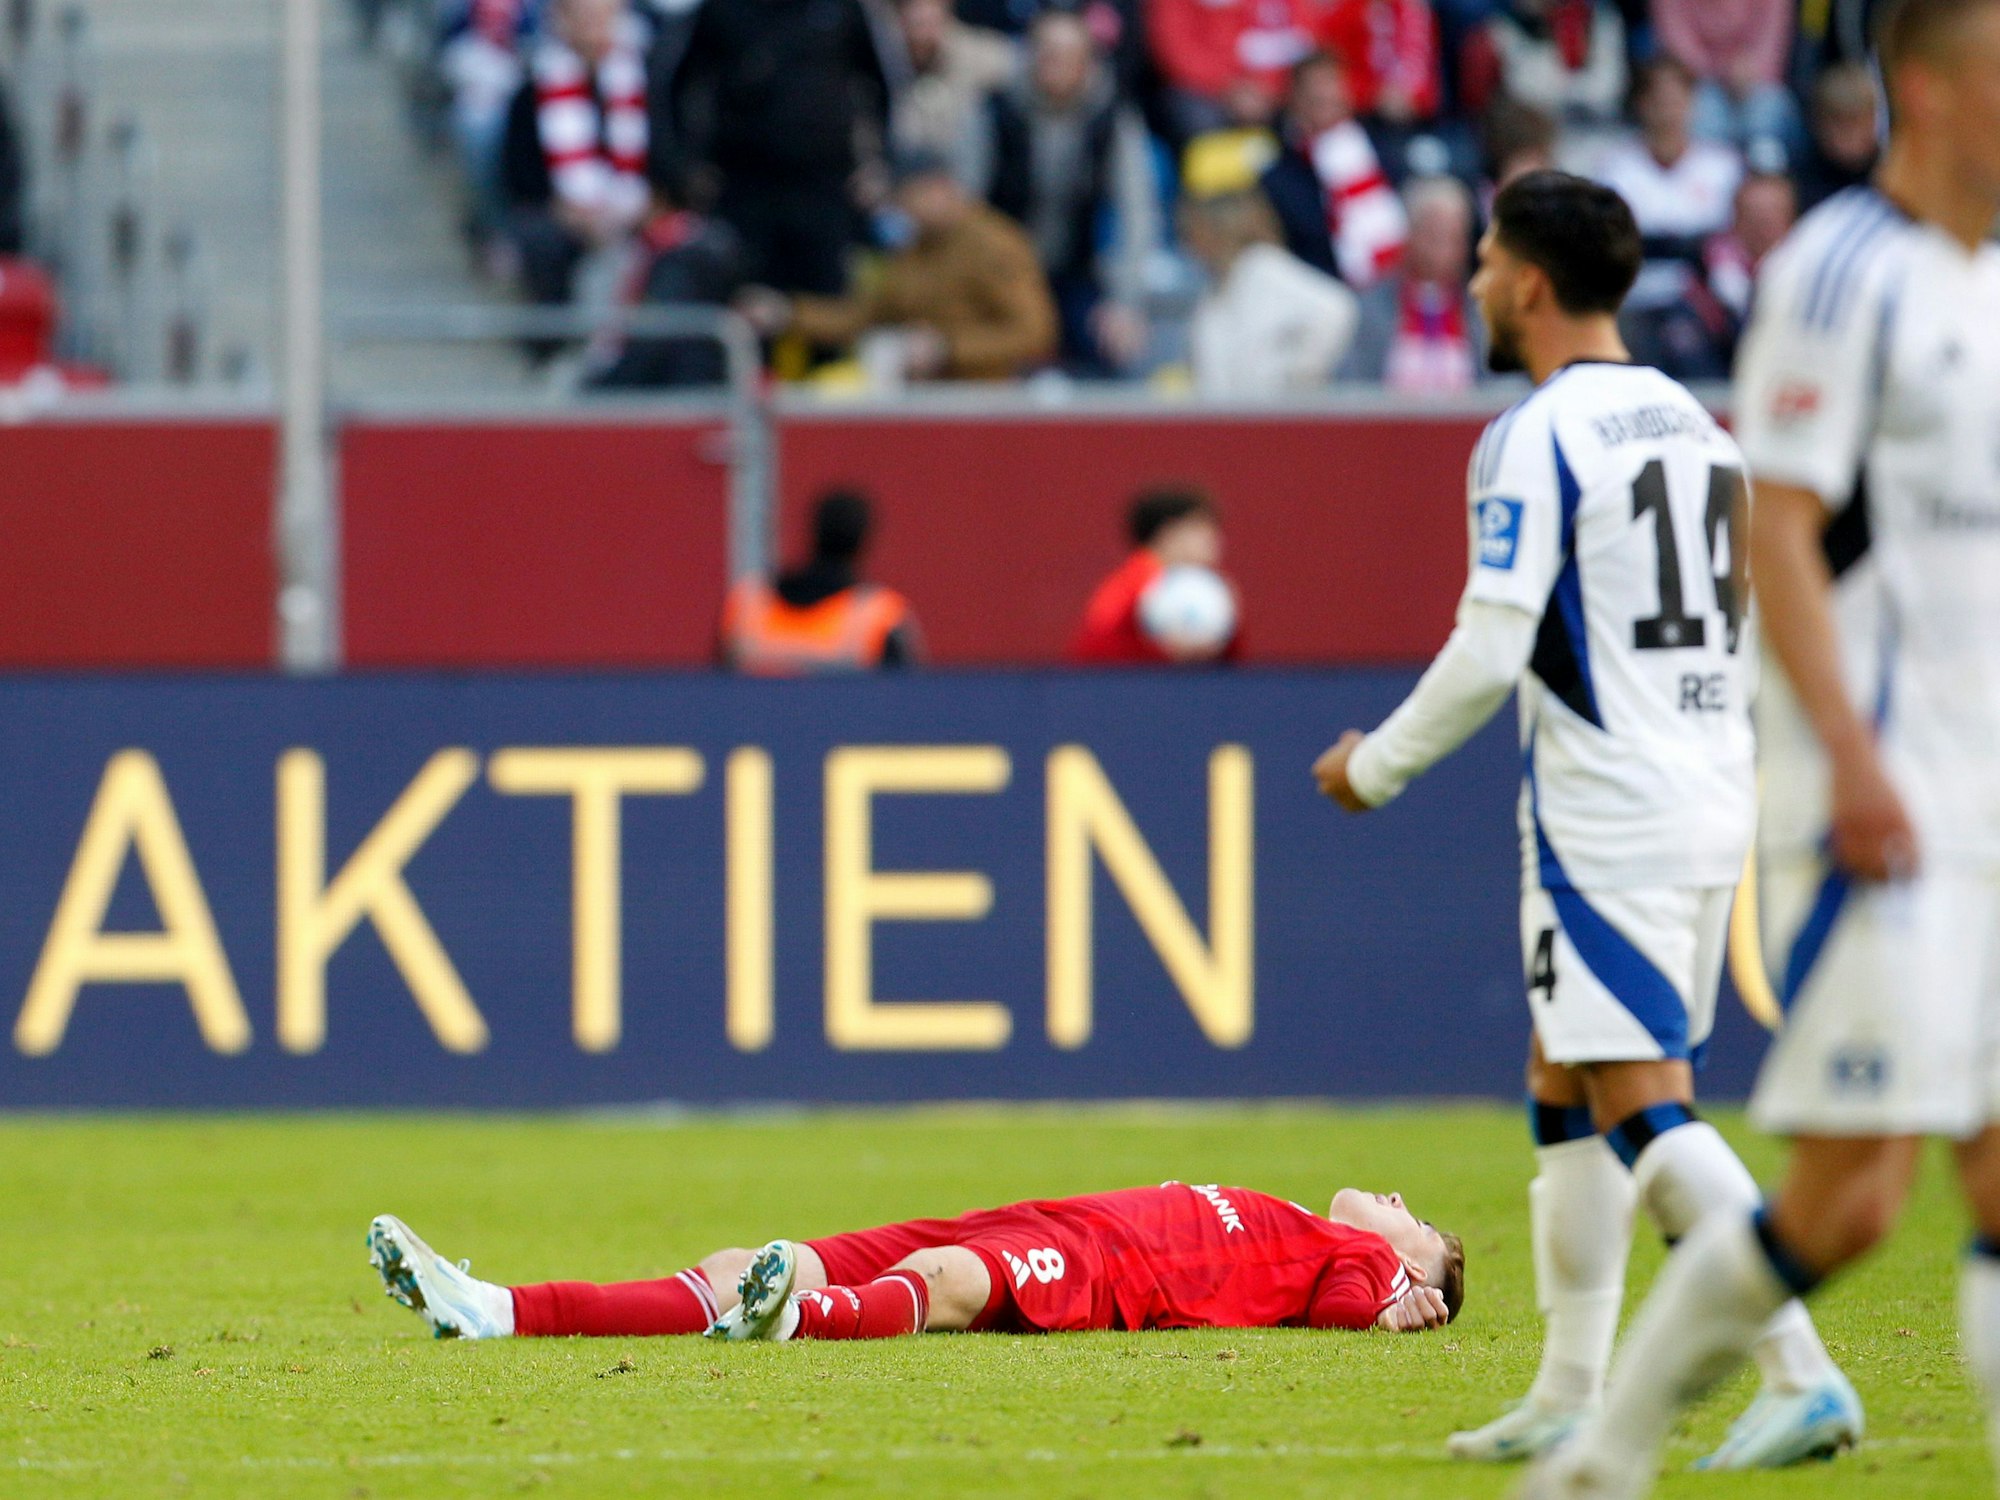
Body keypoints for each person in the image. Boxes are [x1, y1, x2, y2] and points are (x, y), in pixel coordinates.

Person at [1312, 169, 1860, 1473]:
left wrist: (1376, 767)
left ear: (1533, 285)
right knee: (1568, 1074)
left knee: (1637, 1099)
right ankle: (1566, 1386)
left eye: (1492, 260)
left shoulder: (1535, 435)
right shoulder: (1698, 428)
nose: (1481, 280)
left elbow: (1497, 640)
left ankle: (1802, 1370)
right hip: (1706, 787)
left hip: (1608, 808)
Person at [1524, 1, 2000, 1494]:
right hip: (1890, 791)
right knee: (1851, 1201)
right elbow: (1777, 529)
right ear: (1924, 89)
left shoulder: (1990, 290)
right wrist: (1851, 759)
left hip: (1988, 786)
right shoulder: (1838, 273)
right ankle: (1607, 1450)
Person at [365, 1179, 1465, 1342]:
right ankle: (496, 1307)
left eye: (1421, 1226)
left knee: (943, 1281)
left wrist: (1398, 1303)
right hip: (1043, 1217)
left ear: (1413, 1267)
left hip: (1101, 1270)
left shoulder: (1350, 1260)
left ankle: (794, 1326)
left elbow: (1342, 1312)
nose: (1400, 1203)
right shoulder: (1297, 1215)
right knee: (758, 1254)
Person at [738, 149, 1059, 382]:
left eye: (910, 198)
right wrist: (789, 313)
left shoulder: (995, 243)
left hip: (983, 401)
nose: (905, 211)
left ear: (940, 189)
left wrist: (947, 349)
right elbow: (865, 315)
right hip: (916, 395)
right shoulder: (911, 246)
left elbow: (1034, 332)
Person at [965, 10, 1159, 375]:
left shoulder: (1113, 116)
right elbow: (964, 208)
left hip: (1075, 271)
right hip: (998, 275)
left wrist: (1125, 303)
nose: (1055, 65)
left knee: (1110, 353)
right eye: (1047, 52)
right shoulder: (993, 110)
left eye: (1069, 56)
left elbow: (1138, 213)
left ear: (1088, 63)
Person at [669, 0, 889, 297]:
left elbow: (879, 84)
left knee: (826, 299)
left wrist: (878, 162)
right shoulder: (724, 8)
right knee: (747, 300)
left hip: (824, 185)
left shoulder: (843, 7)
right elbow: (680, 84)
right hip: (747, 185)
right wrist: (688, 166)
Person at [498, 0, 653, 317]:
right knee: (542, 241)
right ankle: (555, 344)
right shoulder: (534, 87)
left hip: (634, 210)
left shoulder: (643, 79)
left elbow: (658, 157)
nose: (592, 27)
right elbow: (521, 172)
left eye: (602, 17)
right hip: (564, 216)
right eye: (583, 17)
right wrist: (568, 211)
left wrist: (639, 207)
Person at [1593, 57, 1743, 379]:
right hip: (1635, 303)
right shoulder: (1615, 170)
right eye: (1659, 101)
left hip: (1704, 304)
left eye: (1676, 100)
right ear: (1642, 104)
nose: (1668, 111)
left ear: (1692, 103)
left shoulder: (1723, 167)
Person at [1180, 160, 1360, 398]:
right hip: (1225, 424)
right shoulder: (1216, 286)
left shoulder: (1264, 267)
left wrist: (1295, 377)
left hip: (1271, 422)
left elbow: (1337, 308)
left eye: (1194, 232)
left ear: (1215, 231)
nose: (1188, 245)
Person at [718, 489, 923, 674]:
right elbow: (906, 701)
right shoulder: (881, 614)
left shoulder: (748, 602)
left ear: (814, 530)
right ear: (863, 540)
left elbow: (715, 688)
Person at [1258, 52, 1409, 287]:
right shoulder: (1279, 176)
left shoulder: (1383, 147)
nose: (1324, 94)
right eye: (1313, 87)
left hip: (1397, 288)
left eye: (1330, 82)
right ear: (1293, 99)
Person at [1339, 174, 1486, 393]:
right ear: (1410, 233)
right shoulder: (1370, 309)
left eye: (1455, 238)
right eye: (1435, 237)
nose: (1445, 252)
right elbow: (1351, 389)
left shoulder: (1482, 312)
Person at [1070, 487, 1245, 664]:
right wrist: (1162, 652)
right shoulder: (1129, 587)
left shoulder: (1212, 591)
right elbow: (1092, 652)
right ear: (1168, 533)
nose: (1214, 539)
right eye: (1200, 529)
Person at [885, 0, 1018, 172]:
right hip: (903, 176)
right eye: (911, 7)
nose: (921, 16)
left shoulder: (986, 54)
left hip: (966, 183)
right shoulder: (882, 54)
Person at [1651, 0, 1801, 152]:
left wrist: (1750, 69)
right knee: (1702, 116)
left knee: (1767, 111)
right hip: (1699, 79)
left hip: (1757, 79)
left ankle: (1765, 174)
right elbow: (1677, 44)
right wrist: (1722, 69)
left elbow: (1772, 40)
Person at [1792, 61, 1882, 212]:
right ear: (1820, 124)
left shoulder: (1891, 174)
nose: (1851, 136)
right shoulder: (1801, 184)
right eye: (1842, 126)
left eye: (1858, 122)